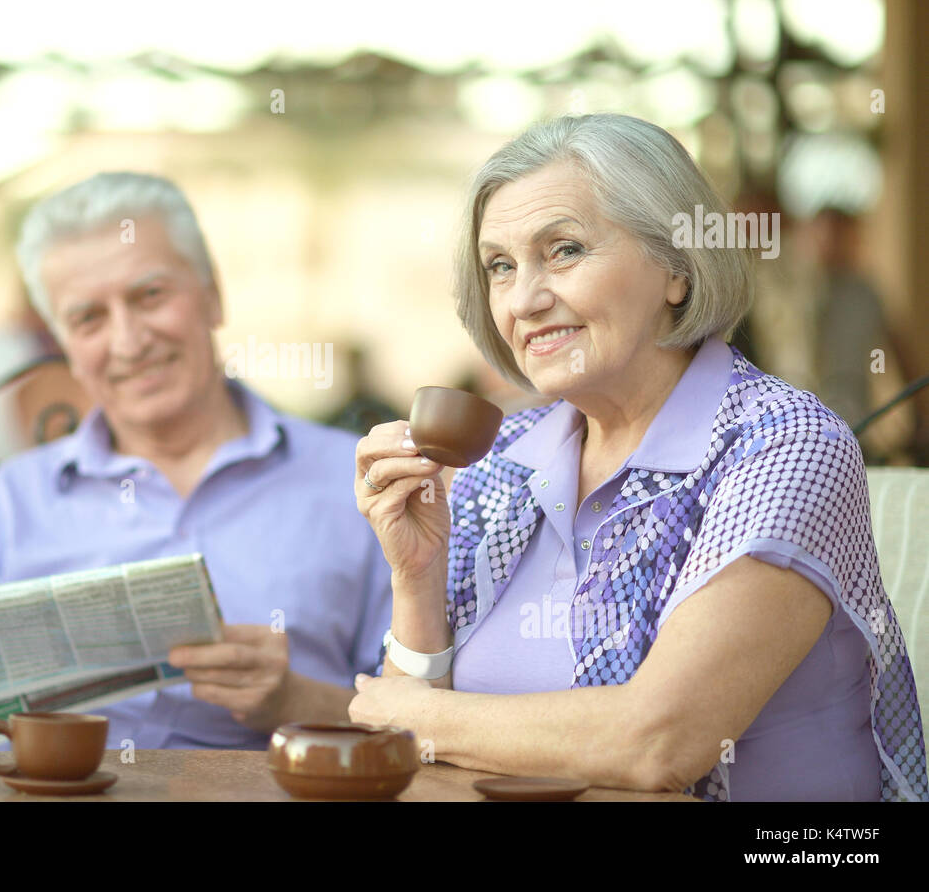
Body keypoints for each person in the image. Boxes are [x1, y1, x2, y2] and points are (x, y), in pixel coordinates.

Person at [349, 113, 927, 801]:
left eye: (563, 250)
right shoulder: (501, 460)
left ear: (676, 269)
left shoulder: (784, 443)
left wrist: (423, 718)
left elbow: (660, 742)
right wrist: (417, 576)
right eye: (500, 265)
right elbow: (405, 745)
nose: (524, 299)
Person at [0, 172, 392, 754]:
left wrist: (294, 702)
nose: (130, 341)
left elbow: (424, 733)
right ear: (63, 345)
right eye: (89, 318)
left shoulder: (358, 484)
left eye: (150, 295)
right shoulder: (5, 503)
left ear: (213, 294)